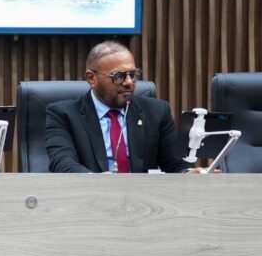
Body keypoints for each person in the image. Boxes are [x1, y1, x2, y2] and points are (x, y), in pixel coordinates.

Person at [45, 40, 192, 174]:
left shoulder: (157, 112)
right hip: (90, 193)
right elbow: (62, 163)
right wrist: (97, 182)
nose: (129, 82)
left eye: (133, 75)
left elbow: (175, 164)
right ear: (92, 78)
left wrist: (188, 173)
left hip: (142, 193)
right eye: (118, 76)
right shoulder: (63, 115)